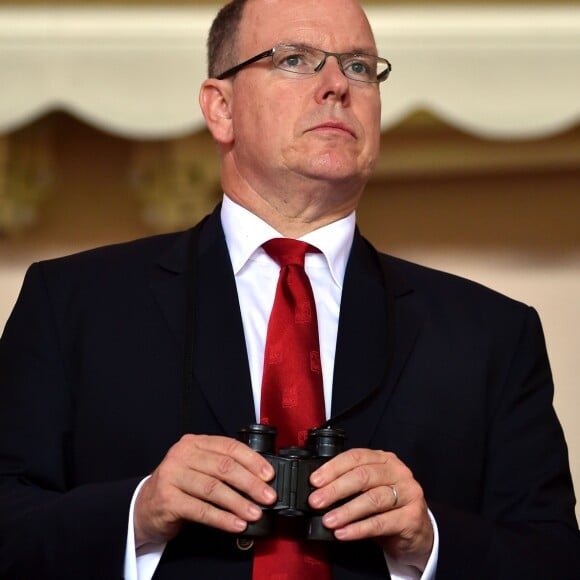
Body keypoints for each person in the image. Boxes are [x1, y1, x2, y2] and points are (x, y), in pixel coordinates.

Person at [0, 0, 578, 578]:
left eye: (358, 66)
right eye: (296, 59)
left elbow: (552, 561)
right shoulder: (73, 305)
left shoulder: (492, 335)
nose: (336, 86)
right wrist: (137, 515)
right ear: (220, 108)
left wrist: (428, 545)